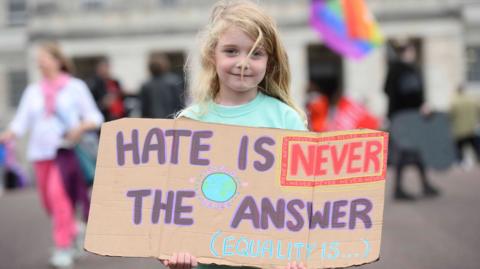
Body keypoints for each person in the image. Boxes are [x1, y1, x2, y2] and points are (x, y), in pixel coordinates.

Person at [161, 1, 307, 269]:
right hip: (207, 260)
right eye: (231, 51)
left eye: (255, 54)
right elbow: (175, 198)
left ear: (269, 61)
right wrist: (175, 248)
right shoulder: (191, 122)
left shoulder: (286, 119)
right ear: (211, 56)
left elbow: (304, 194)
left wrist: (300, 251)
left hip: (272, 258)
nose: (243, 63)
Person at [0, 42, 104, 268]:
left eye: (44, 56)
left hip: (64, 152)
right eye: (38, 58)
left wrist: (79, 127)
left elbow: (95, 117)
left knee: (59, 199)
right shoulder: (33, 91)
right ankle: (74, 230)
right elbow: (21, 121)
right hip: (39, 154)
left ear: (58, 60)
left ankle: (63, 248)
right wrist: (8, 134)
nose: (40, 61)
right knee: (48, 203)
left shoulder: (75, 87)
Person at [384, 42, 440, 200]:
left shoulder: (403, 69)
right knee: (405, 151)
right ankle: (401, 189)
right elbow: (407, 93)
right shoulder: (401, 70)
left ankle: (421, 185)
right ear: (407, 51)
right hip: (405, 117)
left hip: (407, 116)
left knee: (414, 151)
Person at [139, 53, 185, 118]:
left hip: (153, 120)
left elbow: (144, 108)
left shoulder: (146, 85)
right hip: (171, 119)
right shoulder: (174, 81)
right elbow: (180, 104)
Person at [449, 84, 480, 168]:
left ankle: (461, 161)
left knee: (459, 147)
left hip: (459, 129)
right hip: (472, 128)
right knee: (475, 146)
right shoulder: (472, 100)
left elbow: (450, 115)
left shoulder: (454, 102)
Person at [88, 57, 126, 121]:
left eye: (106, 67)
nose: (104, 70)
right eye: (102, 68)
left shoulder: (115, 82)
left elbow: (121, 97)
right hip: (105, 118)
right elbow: (91, 106)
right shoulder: (94, 84)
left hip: (119, 116)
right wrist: (103, 104)